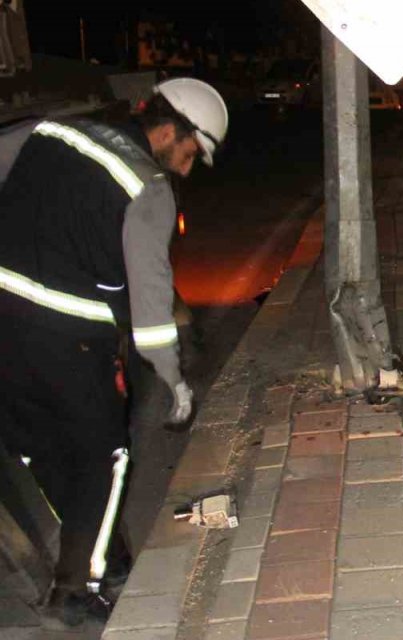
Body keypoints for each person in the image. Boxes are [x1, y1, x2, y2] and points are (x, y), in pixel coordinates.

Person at [0, 78, 228, 627]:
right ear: (169, 130)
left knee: (41, 449)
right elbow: (150, 308)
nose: (188, 168)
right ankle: (77, 589)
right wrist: (174, 380)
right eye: (191, 153)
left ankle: (113, 559)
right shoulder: (148, 187)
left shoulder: (52, 129)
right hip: (69, 338)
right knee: (105, 455)